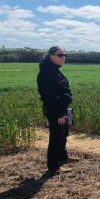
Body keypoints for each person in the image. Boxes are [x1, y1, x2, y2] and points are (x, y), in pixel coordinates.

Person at [37, 45, 74, 175]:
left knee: (63, 134)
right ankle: (53, 166)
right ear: (51, 56)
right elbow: (50, 97)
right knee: (56, 137)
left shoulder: (54, 70)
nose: (63, 58)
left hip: (61, 109)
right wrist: (60, 114)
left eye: (64, 55)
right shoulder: (47, 73)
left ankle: (63, 158)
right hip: (56, 111)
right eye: (60, 55)